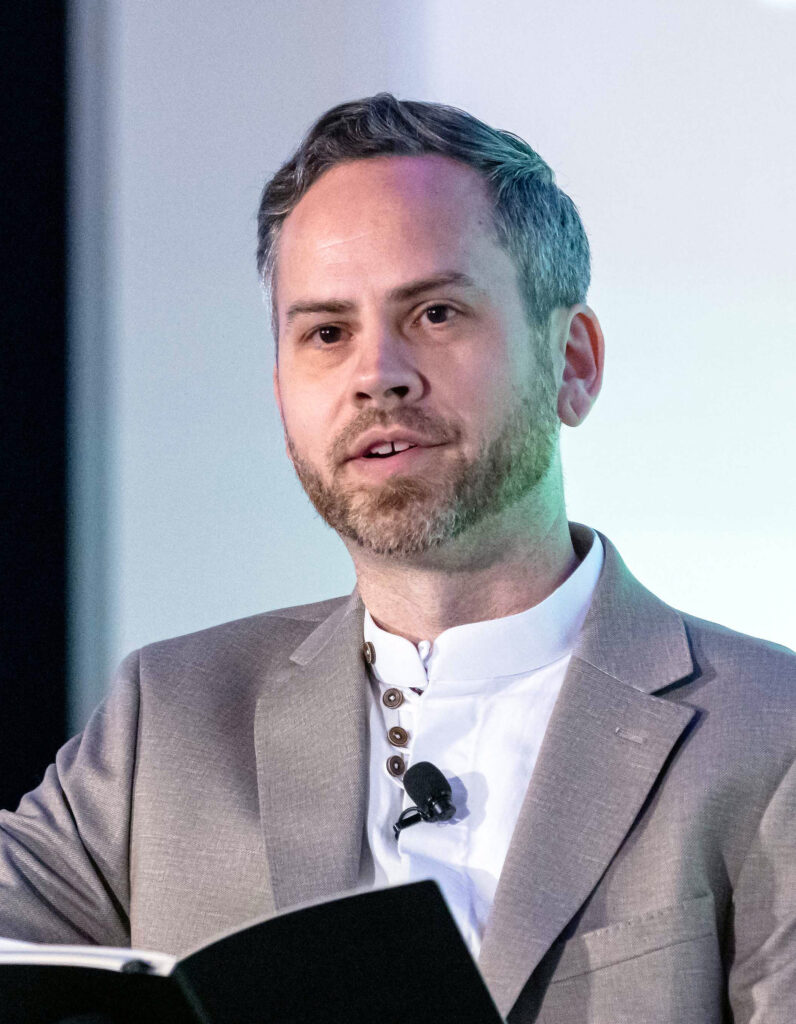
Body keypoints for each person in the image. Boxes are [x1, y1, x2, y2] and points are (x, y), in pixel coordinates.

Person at [0, 93, 794, 1023]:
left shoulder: (771, 737)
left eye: (436, 314)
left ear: (572, 362)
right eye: (326, 333)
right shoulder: (167, 719)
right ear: (283, 393)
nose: (377, 372)